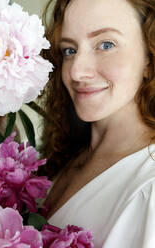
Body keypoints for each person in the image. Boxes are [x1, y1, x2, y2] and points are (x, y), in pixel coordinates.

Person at [40, 0, 155, 247]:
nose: (76, 72)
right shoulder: (62, 156)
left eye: (106, 44)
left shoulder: (150, 188)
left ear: (149, 56)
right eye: (69, 50)